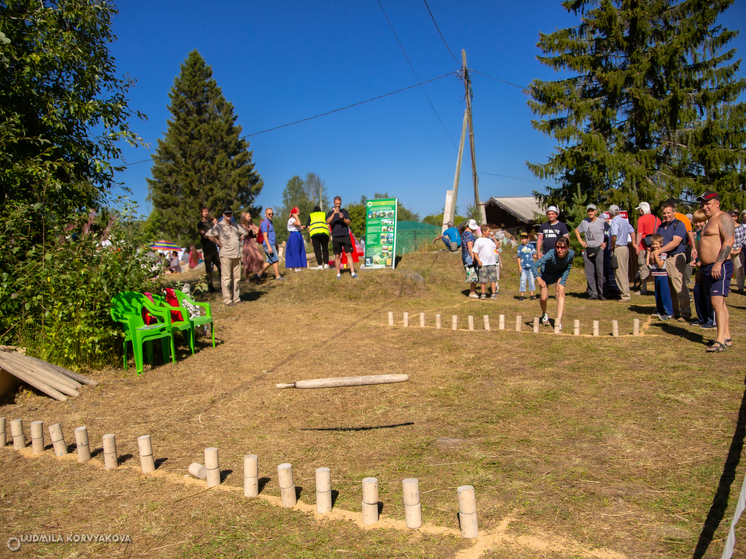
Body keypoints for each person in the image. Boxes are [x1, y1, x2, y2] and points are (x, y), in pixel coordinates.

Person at [697, 191, 735, 352]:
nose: (704, 207)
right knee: (720, 303)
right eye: (702, 204)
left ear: (717, 203)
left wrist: (718, 263)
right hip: (707, 267)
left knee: (716, 303)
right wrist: (700, 268)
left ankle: (719, 341)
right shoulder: (708, 221)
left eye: (708, 203)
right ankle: (726, 336)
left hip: (718, 266)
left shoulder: (723, 217)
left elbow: (729, 240)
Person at [656, 200, 692, 322]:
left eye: (668, 213)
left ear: (674, 212)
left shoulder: (679, 225)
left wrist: (659, 251)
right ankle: (675, 312)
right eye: (664, 213)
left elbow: (675, 242)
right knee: (669, 288)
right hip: (663, 258)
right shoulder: (660, 227)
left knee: (679, 286)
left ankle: (686, 313)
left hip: (676, 258)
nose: (666, 215)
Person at [531, 237, 574, 332]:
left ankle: (558, 322)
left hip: (558, 274)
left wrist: (562, 282)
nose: (559, 250)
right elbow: (534, 266)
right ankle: (544, 314)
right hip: (545, 274)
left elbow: (568, 267)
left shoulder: (571, 254)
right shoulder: (551, 253)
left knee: (561, 294)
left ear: (567, 247)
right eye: (557, 247)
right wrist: (538, 278)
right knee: (543, 298)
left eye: (563, 247)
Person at [206, 206, 248, 306]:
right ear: (223, 215)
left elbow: (244, 232)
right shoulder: (219, 226)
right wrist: (218, 243)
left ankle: (236, 298)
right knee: (226, 278)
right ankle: (227, 300)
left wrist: (241, 237)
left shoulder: (235, 225)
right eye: (226, 214)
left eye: (230, 213)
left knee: (237, 278)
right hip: (225, 254)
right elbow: (209, 234)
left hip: (236, 254)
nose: (228, 215)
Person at [574, 203, 607, 300]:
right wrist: (581, 242)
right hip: (588, 249)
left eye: (592, 211)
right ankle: (593, 293)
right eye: (589, 211)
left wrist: (605, 242)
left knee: (600, 272)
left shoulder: (601, 222)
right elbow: (577, 230)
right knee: (589, 272)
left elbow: (610, 231)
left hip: (599, 249)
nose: (590, 212)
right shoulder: (584, 222)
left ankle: (602, 293)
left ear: (595, 212)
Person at [691, 209, 715, 328]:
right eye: (696, 222)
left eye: (701, 222)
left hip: (709, 266)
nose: (698, 224)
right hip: (701, 266)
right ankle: (702, 318)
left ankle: (711, 320)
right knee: (697, 291)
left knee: (708, 293)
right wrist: (696, 260)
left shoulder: (709, 233)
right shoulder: (699, 234)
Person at [326, 196, 359, 279]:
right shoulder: (330, 213)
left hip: (345, 235)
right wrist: (334, 213)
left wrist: (343, 218)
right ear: (334, 204)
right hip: (336, 236)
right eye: (336, 204)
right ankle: (338, 274)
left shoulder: (344, 212)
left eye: (339, 204)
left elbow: (348, 222)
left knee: (349, 254)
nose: (338, 205)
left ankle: (352, 273)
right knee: (337, 255)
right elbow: (327, 221)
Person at [634, 202, 660, 295]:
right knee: (656, 265)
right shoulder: (657, 219)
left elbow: (640, 233)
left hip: (644, 246)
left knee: (643, 266)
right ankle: (657, 287)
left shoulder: (641, 219)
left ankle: (644, 288)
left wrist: (637, 246)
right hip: (656, 246)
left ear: (642, 210)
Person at [647, 234, 673, 320]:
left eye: (656, 244)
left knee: (665, 294)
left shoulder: (663, 253)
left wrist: (655, 255)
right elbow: (647, 264)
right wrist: (648, 254)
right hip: (656, 275)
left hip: (662, 275)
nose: (654, 246)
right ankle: (660, 311)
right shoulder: (652, 252)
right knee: (657, 295)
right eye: (653, 244)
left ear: (661, 243)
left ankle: (669, 312)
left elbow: (660, 265)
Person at [197, 207, 221, 292]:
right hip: (207, 248)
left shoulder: (211, 223)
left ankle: (223, 284)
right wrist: (212, 232)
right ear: (201, 213)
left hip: (214, 247)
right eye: (204, 211)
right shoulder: (200, 224)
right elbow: (204, 235)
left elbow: (216, 233)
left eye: (207, 211)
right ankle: (210, 286)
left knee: (220, 266)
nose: (206, 213)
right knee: (208, 269)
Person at [472, 224, 499, 299]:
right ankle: (483, 293)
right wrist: (478, 260)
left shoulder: (490, 240)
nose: (490, 233)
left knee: (493, 279)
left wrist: (494, 239)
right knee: (483, 280)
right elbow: (475, 252)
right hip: (483, 263)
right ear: (483, 231)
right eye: (488, 231)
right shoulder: (478, 241)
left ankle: (493, 293)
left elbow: (497, 246)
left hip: (492, 263)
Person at [258, 207, 284, 281]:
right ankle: (277, 276)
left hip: (272, 244)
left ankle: (258, 274)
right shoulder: (264, 223)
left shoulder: (270, 222)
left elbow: (271, 235)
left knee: (270, 261)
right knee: (275, 260)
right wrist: (269, 247)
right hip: (268, 244)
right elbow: (265, 236)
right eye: (269, 214)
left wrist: (275, 243)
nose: (271, 215)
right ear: (265, 214)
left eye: (272, 214)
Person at [240, 211, 264, 279]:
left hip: (252, 243)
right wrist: (250, 229)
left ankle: (257, 274)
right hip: (247, 244)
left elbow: (257, 229)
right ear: (244, 217)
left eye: (250, 216)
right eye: (248, 216)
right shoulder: (242, 225)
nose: (250, 217)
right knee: (248, 259)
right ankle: (247, 277)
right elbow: (244, 231)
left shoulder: (251, 224)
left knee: (259, 257)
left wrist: (255, 231)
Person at [461, 220, 479, 298]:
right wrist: (473, 258)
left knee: (471, 273)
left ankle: (472, 291)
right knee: (473, 273)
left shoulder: (464, 233)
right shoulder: (469, 235)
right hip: (469, 256)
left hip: (464, 256)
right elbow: (470, 246)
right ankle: (472, 292)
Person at [285, 207, 307, 272]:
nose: (299, 214)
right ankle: (296, 267)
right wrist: (296, 217)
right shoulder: (291, 220)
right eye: (297, 212)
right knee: (295, 251)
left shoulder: (294, 220)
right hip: (294, 236)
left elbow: (298, 225)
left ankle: (298, 266)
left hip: (298, 235)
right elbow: (298, 223)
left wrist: (300, 227)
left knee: (299, 250)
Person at [516, 232, 536, 302]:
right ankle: (522, 295)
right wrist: (519, 267)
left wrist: (538, 257)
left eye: (524, 238)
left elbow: (534, 255)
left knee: (532, 280)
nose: (523, 240)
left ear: (527, 239)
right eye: (522, 239)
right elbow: (518, 257)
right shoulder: (520, 247)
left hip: (531, 266)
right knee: (523, 280)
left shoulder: (531, 246)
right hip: (523, 267)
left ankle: (532, 295)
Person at [729, 210, 744, 292]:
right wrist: (729, 249)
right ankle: (727, 287)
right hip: (729, 250)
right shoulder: (727, 227)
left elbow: (743, 239)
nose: (731, 218)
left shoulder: (741, 227)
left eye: (732, 216)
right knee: (729, 269)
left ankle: (740, 287)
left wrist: (739, 249)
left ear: (736, 217)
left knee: (739, 270)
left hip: (739, 250)